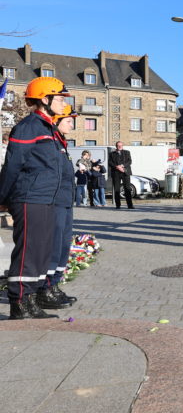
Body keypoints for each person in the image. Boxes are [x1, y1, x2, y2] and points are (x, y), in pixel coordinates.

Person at [0, 76, 71, 319]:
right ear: (44, 99)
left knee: (40, 252)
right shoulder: (29, 126)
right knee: (29, 251)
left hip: (46, 199)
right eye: (60, 98)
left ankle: (30, 300)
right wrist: (3, 196)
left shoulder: (48, 128)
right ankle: (19, 302)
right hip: (30, 198)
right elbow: (12, 165)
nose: (63, 103)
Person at [37, 104, 79, 310]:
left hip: (65, 203)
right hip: (55, 203)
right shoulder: (52, 142)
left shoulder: (62, 143)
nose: (72, 124)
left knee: (63, 246)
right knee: (53, 247)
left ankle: (54, 285)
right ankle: (45, 289)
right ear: (57, 121)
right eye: (69, 120)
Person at [109, 141, 134, 209]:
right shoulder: (112, 154)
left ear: (122, 146)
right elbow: (110, 162)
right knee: (117, 189)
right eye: (118, 145)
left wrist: (122, 166)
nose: (119, 146)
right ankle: (118, 205)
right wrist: (117, 167)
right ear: (116, 146)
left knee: (127, 189)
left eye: (121, 145)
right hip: (116, 173)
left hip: (125, 172)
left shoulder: (127, 152)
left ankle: (130, 205)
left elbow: (129, 161)